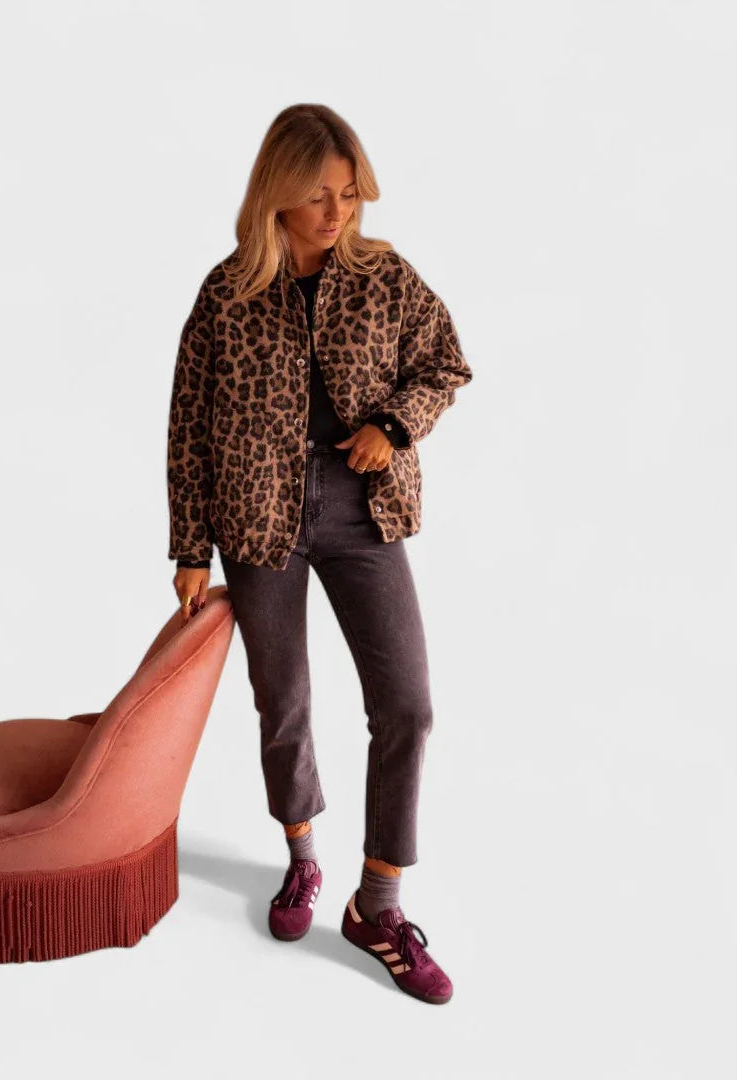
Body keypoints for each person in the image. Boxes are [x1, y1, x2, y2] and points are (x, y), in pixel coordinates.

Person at [165, 104, 472, 1005]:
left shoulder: (384, 278)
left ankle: (378, 904)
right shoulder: (226, 294)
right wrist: (190, 546)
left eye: (348, 193)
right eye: (317, 196)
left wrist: (393, 425)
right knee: (284, 701)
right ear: (277, 195)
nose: (336, 212)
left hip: (362, 513)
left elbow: (446, 363)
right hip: (255, 519)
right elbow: (188, 426)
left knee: (407, 706)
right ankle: (301, 856)